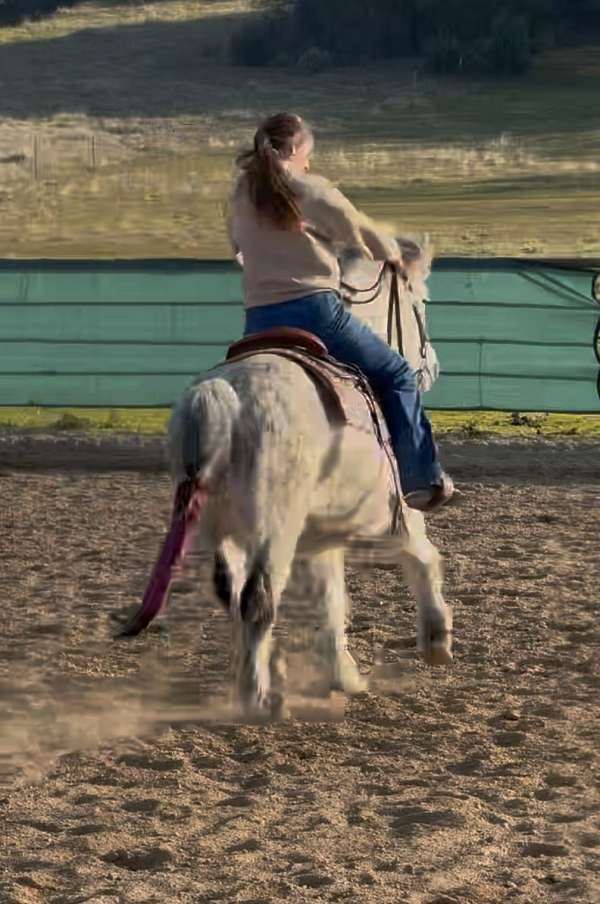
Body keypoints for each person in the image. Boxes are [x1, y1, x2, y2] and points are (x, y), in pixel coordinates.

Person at [226, 112, 455, 512]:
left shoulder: (241, 195)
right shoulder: (308, 188)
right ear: (295, 149)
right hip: (314, 311)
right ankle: (421, 478)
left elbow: (239, 250)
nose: (309, 163)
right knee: (398, 373)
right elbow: (361, 231)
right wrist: (395, 254)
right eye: (307, 154)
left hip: (258, 320)